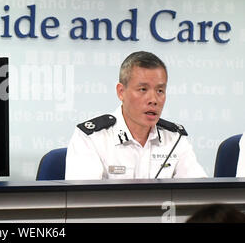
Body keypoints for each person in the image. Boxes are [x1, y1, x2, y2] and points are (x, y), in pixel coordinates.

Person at [65, 51, 207, 180]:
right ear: (121, 92)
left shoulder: (175, 139)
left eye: (160, 91)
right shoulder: (91, 138)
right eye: (143, 89)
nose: (153, 100)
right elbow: (83, 202)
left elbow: (198, 196)